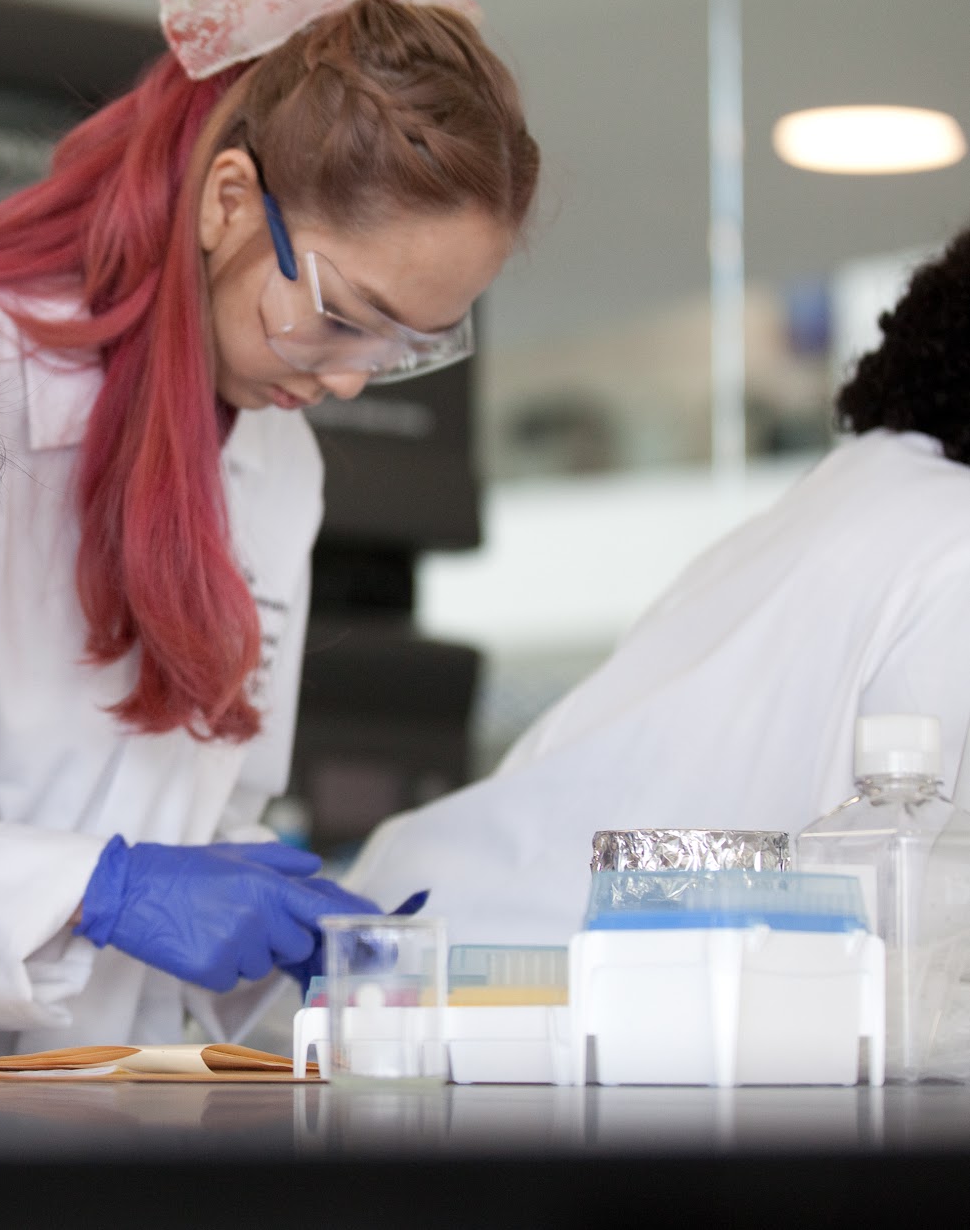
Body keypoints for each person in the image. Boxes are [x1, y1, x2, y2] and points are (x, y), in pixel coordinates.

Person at [0, 0, 541, 1051]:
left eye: (413, 345)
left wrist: (278, 927)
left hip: (127, 1095)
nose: (355, 377)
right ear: (225, 202)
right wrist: (97, 890)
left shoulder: (274, 458)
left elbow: (216, 813)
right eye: (345, 314)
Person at [344, 224, 970, 943]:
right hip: (537, 984)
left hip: (450, 926)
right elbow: (929, 908)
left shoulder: (851, 498)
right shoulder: (943, 539)